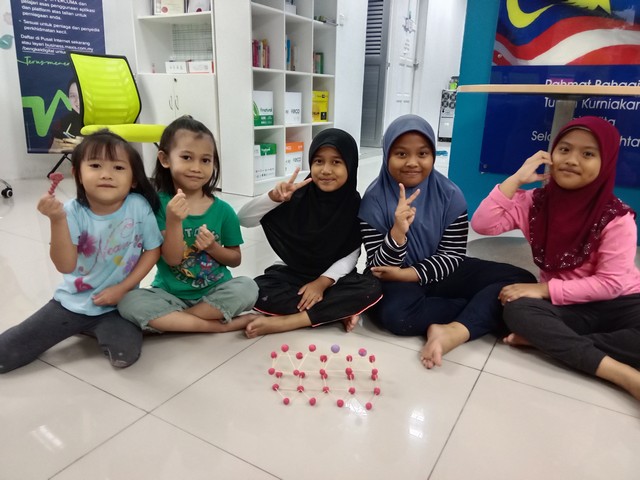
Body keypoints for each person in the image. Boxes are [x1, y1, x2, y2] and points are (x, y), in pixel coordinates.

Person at [471, 116, 640, 400]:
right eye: (564, 149)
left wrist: (544, 289)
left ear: (606, 162)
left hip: (620, 302)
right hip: (567, 307)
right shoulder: (534, 202)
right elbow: (483, 224)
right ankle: (622, 374)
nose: (572, 160)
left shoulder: (616, 217)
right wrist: (515, 179)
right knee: (517, 309)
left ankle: (547, 342)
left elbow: (611, 284)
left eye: (588, 154)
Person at [359, 114, 536, 369]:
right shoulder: (373, 200)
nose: (412, 163)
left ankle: (457, 325)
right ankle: (477, 312)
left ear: (433, 155)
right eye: (401, 154)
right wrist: (397, 232)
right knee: (397, 316)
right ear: (387, 155)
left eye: (422, 154)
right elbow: (380, 267)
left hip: (438, 271)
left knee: (521, 280)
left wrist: (409, 274)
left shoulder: (450, 194)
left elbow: (452, 256)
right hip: (394, 281)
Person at [0, 130, 163, 373]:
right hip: (70, 304)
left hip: (118, 305)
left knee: (125, 354)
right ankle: (80, 325)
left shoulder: (138, 207)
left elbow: (153, 250)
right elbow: (65, 265)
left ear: (133, 179)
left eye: (118, 168)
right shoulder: (71, 211)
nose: (106, 174)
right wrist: (57, 220)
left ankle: (94, 327)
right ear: (77, 173)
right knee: (5, 353)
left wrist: (122, 289)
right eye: (95, 165)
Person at [118, 116, 258, 333]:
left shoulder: (224, 211)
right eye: (186, 157)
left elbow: (235, 259)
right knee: (130, 302)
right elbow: (172, 259)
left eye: (205, 160)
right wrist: (174, 221)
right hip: (169, 294)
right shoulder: (156, 206)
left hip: (216, 291)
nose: (196, 167)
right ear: (165, 159)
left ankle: (175, 322)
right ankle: (215, 327)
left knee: (248, 287)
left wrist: (213, 248)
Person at [237, 128, 382, 337]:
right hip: (293, 273)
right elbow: (243, 219)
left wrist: (321, 283)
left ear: (350, 166)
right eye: (318, 161)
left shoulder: (353, 204)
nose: (326, 170)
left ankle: (290, 321)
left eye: (336, 162)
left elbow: (351, 254)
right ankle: (335, 312)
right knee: (257, 289)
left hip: (333, 279)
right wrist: (273, 198)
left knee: (371, 287)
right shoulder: (297, 195)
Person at [49, 78, 83, 153]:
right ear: (68, 99)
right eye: (73, 96)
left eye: (81, 95)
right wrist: (54, 149)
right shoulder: (60, 124)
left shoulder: (104, 121)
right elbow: (51, 150)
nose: (77, 101)